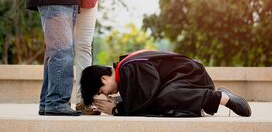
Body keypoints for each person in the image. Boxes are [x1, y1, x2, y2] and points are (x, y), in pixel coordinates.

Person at [80, 50, 252, 117]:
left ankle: (222, 98)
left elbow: (148, 96)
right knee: (164, 99)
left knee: (164, 98)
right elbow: (143, 96)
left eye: (102, 91)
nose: (107, 95)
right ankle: (205, 102)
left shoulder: (128, 69)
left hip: (192, 77)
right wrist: (120, 105)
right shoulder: (125, 69)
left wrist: (118, 110)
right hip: (185, 82)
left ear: (104, 78)